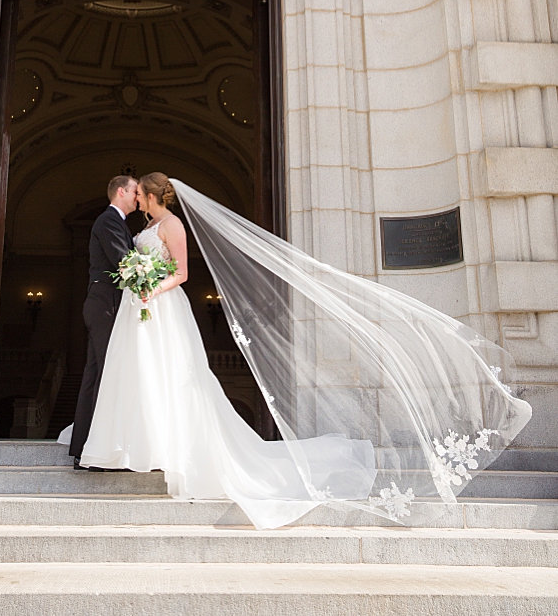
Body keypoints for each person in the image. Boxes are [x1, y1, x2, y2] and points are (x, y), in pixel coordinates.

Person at [79, 172, 531, 529]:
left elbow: (181, 274)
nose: (136, 199)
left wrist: (150, 287)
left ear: (154, 195)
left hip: (162, 307)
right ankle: (147, 444)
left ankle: (172, 447)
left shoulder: (173, 225)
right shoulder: (150, 226)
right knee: (149, 376)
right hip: (144, 312)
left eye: (141, 194)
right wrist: (141, 285)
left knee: (176, 377)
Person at [67, 173, 137, 470]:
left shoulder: (116, 222)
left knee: (96, 374)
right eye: (135, 192)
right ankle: (93, 449)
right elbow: (124, 260)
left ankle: (85, 448)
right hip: (105, 302)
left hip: (105, 302)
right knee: (105, 374)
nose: (138, 196)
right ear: (121, 191)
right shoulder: (109, 220)